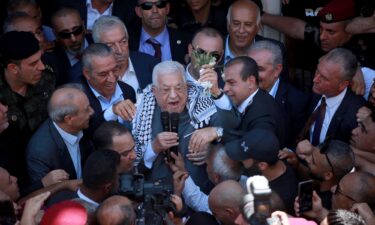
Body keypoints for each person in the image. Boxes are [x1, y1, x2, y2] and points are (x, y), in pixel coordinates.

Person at [133, 60, 240, 194]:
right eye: (166, 90)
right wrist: (153, 149)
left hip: (201, 196)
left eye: (179, 88)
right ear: (154, 91)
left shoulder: (202, 106)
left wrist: (215, 133)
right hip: (155, 195)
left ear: (187, 86)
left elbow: (237, 130)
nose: (173, 95)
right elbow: (131, 167)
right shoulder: (140, 114)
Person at [0, 31, 55, 189]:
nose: (41, 67)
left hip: (47, 165)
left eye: (40, 59)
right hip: (11, 178)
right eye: (33, 64)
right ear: (13, 68)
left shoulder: (47, 80)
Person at [262, 0, 375, 71]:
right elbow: (297, 28)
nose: (322, 37)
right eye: (321, 29)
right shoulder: (322, 36)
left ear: (349, 33)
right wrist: (260, 16)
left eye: (331, 32)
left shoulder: (365, 58)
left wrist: (354, 69)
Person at [26, 84, 94, 193]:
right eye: (87, 109)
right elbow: (42, 195)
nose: (92, 111)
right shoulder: (41, 152)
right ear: (69, 119)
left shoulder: (83, 123)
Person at [247, 40, 310, 147]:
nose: (253, 76)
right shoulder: (238, 91)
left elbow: (298, 142)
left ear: (277, 70)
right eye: (249, 68)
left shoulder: (297, 101)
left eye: (260, 69)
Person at [298, 48, 366, 146]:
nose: (315, 80)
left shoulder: (356, 116)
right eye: (317, 71)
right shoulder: (315, 91)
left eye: (324, 78)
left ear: (343, 84)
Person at [226, 128, 298, 214]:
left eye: (244, 158)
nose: (240, 160)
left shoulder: (281, 198)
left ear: (262, 165)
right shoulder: (277, 157)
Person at [79, 43, 136, 137]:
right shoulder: (78, 98)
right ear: (87, 74)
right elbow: (85, 136)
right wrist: (111, 112)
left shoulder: (128, 90)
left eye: (115, 70)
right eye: (103, 74)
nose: (112, 79)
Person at [92, 15, 159, 94]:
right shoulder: (86, 74)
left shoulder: (151, 65)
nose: (120, 51)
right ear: (98, 48)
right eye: (110, 46)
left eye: (123, 42)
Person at [46, 149, 121, 208]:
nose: (121, 179)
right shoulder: (94, 219)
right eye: (118, 176)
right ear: (107, 188)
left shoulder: (57, 199)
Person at [51, 7, 89, 83]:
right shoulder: (52, 60)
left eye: (77, 30)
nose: (73, 39)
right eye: (65, 34)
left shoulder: (99, 41)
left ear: (84, 26)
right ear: (56, 35)